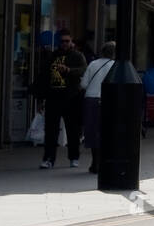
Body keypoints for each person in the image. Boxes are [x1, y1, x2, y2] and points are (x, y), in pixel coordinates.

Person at [36, 29, 86, 169]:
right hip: (53, 97)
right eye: (62, 41)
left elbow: (83, 70)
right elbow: (43, 77)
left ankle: (74, 157)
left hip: (71, 98)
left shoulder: (77, 56)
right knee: (50, 130)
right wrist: (41, 99)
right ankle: (48, 158)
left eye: (67, 41)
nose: (64, 44)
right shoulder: (52, 56)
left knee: (73, 130)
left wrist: (69, 70)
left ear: (71, 42)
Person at [80, 42, 115, 173]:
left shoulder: (93, 64)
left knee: (93, 131)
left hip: (91, 99)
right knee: (106, 131)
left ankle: (95, 162)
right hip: (108, 100)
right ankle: (105, 162)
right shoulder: (115, 65)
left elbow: (84, 84)